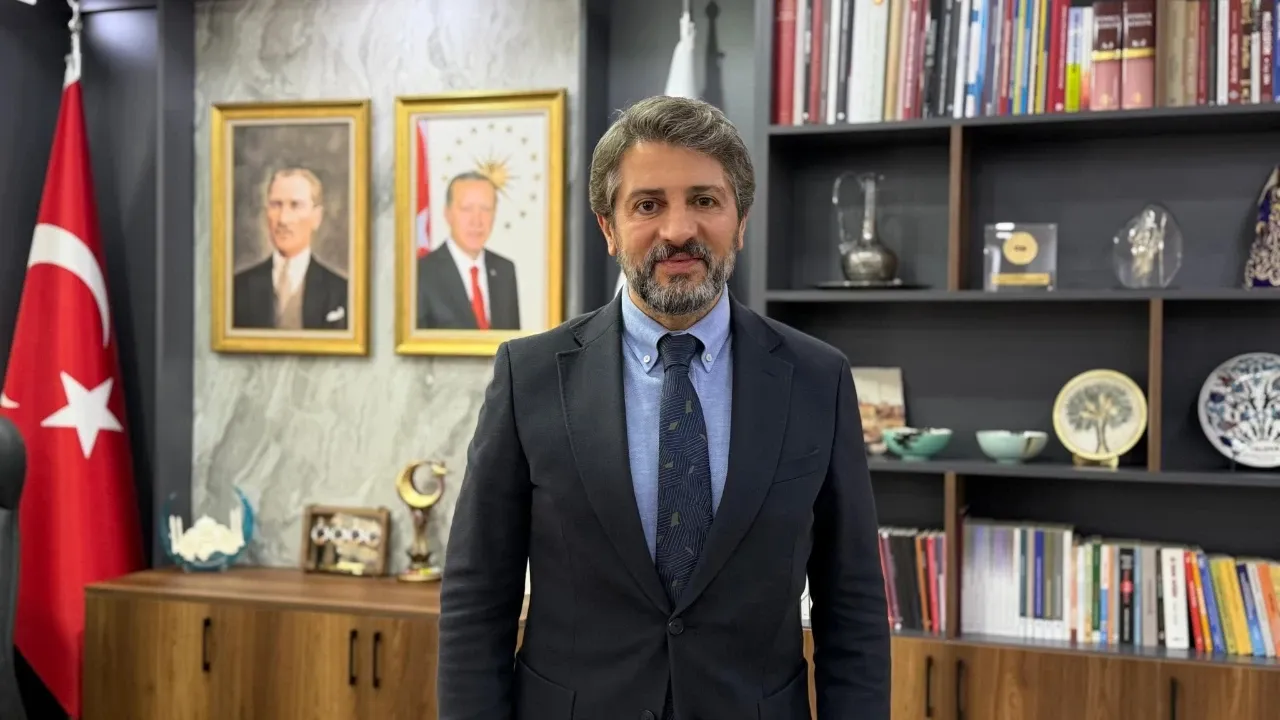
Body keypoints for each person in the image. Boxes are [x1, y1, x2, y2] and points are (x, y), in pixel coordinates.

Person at [437, 96, 890, 720]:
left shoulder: (817, 379)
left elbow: (853, 605)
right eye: (648, 205)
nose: (678, 230)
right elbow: (478, 596)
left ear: (741, 220)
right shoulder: (530, 376)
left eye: (704, 200)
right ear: (608, 228)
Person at [232, 167, 349, 330]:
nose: (283, 219)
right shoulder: (237, 289)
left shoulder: (342, 292)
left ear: (316, 217)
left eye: (295, 205)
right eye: (276, 205)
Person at [416, 171, 521, 330]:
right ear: (447, 214)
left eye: (486, 209)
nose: (476, 221)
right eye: (466, 209)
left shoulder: (505, 270)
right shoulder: (422, 273)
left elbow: (514, 341)